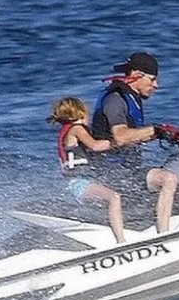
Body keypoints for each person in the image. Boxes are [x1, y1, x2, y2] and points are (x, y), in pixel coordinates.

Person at [89, 51, 179, 234]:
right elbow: (121, 136)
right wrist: (156, 130)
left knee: (175, 169)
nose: (156, 85)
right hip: (111, 175)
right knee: (168, 179)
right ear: (136, 75)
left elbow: (132, 137)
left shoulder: (131, 98)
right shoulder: (116, 99)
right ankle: (164, 235)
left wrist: (164, 135)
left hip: (128, 172)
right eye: (152, 79)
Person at [48, 96, 127, 244]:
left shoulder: (66, 132)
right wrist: (122, 141)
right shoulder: (77, 129)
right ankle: (121, 242)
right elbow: (95, 146)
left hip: (77, 183)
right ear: (81, 112)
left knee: (114, 197)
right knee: (114, 197)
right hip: (80, 184)